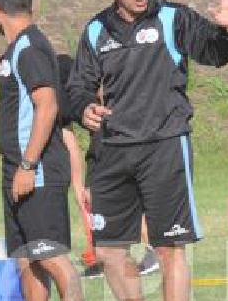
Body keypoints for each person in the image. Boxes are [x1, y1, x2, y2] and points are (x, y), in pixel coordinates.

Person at [67, 0, 228, 301]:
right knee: (109, 252)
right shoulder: (96, 31)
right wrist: (82, 110)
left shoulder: (173, 18)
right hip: (111, 153)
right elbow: (77, 88)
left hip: (164, 146)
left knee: (169, 249)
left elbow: (217, 52)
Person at [0, 0, 97, 301]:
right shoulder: (18, 48)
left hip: (36, 168)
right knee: (26, 256)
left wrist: (28, 164)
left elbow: (47, 105)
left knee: (49, 254)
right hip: (17, 167)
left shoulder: (30, 47)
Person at [56, 55, 159, 279]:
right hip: (104, 135)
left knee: (111, 195)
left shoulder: (54, 78)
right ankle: (107, 258)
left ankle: (151, 250)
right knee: (98, 198)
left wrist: (76, 186)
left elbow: (69, 140)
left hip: (116, 133)